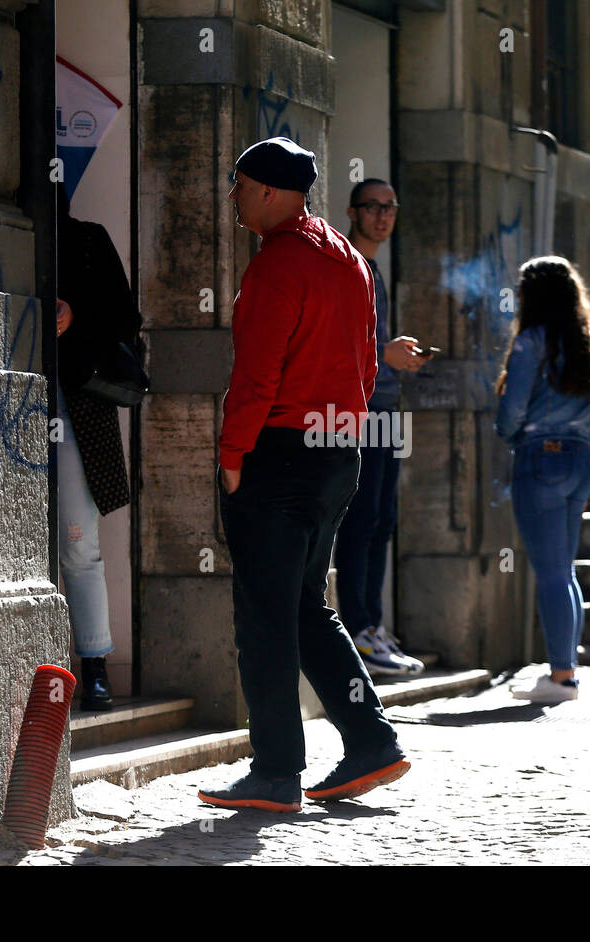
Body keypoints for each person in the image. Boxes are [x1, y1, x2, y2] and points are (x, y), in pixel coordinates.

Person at [197, 137, 409, 812]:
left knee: (265, 614)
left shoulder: (276, 264)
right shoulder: (348, 258)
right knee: (306, 606)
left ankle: (277, 771)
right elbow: (369, 366)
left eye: (237, 187)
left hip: (279, 453)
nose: (232, 198)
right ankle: (371, 741)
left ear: (264, 190)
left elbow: (255, 375)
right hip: (338, 449)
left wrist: (232, 457)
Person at [495, 255, 590, 703]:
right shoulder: (587, 344)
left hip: (540, 458)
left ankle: (562, 677)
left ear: (534, 296)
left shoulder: (532, 342)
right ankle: (567, 671)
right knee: (564, 570)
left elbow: (513, 410)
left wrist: (506, 433)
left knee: (550, 572)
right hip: (580, 461)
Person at [333, 178, 428, 677]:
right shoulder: (347, 263)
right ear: (353, 211)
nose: (383, 216)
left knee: (383, 519)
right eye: (373, 207)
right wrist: (382, 354)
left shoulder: (373, 268)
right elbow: (334, 341)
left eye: (391, 207)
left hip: (385, 406)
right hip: (359, 412)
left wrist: (396, 358)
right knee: (362, 519)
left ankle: (371, 626)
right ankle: (359, 627)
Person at [55, 186, 140, 711]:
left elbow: (123, 320)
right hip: (9, 394)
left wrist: (73, 316)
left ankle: (94, 665)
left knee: (79, 536)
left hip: (74, 401)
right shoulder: (13, 235)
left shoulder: (86, 240)